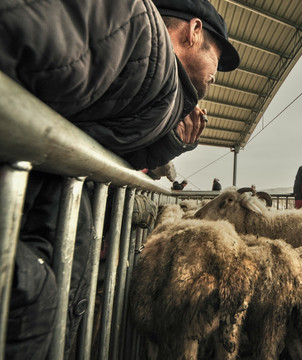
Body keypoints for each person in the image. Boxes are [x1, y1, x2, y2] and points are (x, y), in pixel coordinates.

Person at [0, 0, 240, 358]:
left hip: (33, 246)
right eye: (218, 57)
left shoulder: (153, 75)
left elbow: (103, 147)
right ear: (194, 32)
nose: (217, 73)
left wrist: (171, 140)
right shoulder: (133, 26)